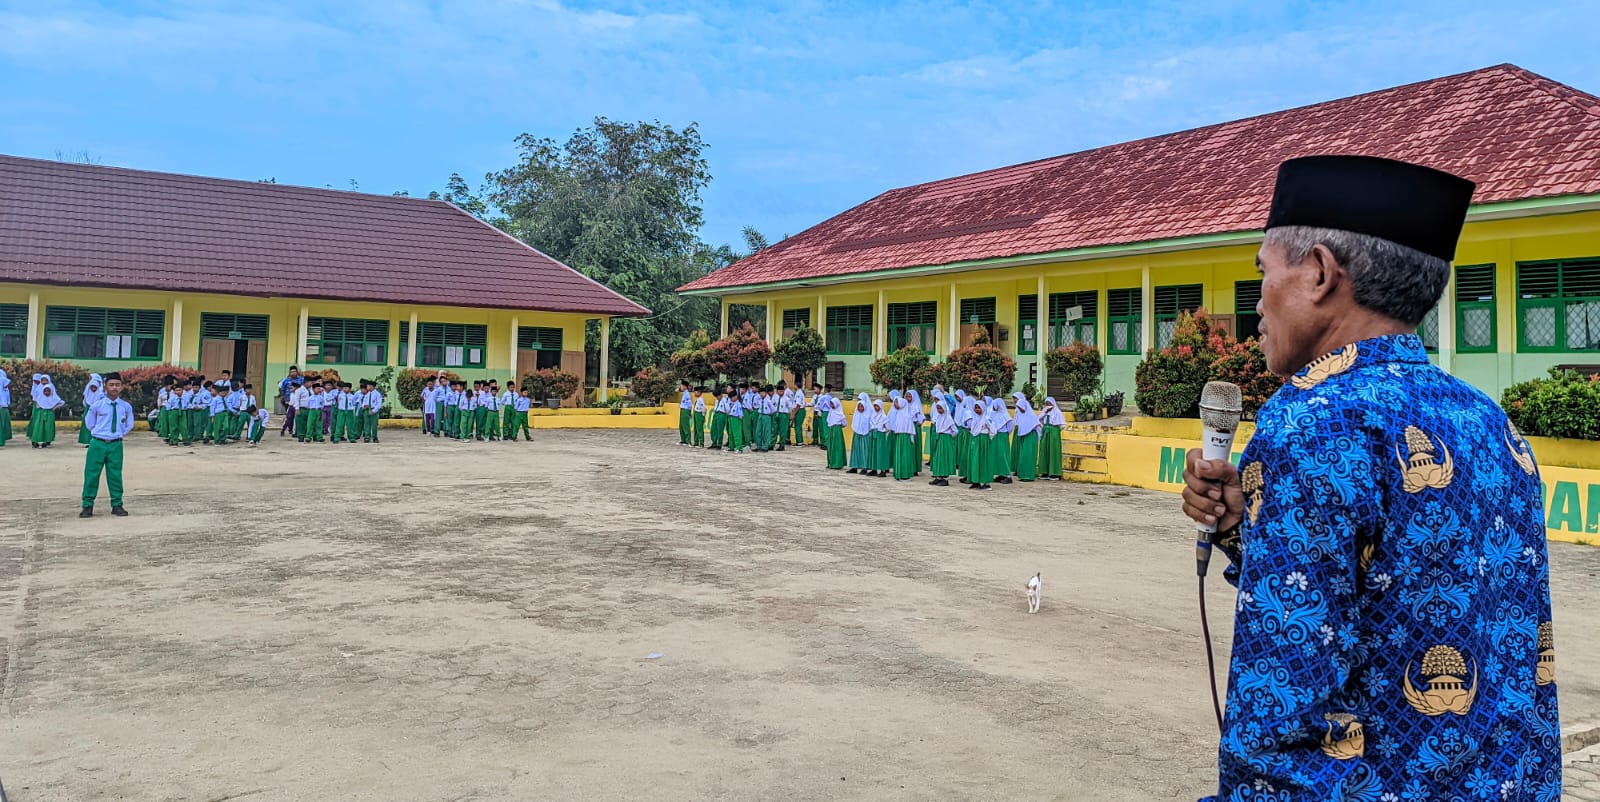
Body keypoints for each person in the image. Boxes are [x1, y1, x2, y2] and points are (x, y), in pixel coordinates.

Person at [1181, 155, 1558, 799]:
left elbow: (1281, 710)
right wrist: (1251, 527)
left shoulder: (1313, 420)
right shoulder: (1490, 421)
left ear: (1321, 273)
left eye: (1262, 275)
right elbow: (1397, 598)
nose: (1257, 308)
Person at [79, 372, 133, 517]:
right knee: (91, 474)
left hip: (115, 445)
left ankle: (117, 505)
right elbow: (89, 423)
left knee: (115, 475)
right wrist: (100, 434)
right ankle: (87, 505)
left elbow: (129, 424)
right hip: (98, 443)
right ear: (105, 386)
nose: (114, 388)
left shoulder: (125, 407)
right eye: (111, 385)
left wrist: (118, 434)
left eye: (117, 385)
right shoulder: (97, 405)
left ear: (122, 387)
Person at [928, 392, 957, 486]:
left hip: (945, 439)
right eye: (938, 408)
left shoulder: (948, 418)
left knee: (944, 458)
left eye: (940, 408)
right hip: (939, 438)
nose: (939, 410)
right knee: (938, 457)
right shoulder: (939, 418)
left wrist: (949, 438)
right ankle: (938, 476)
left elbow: (955, 431)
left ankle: (944, 478)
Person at [1011, 392, 1040, 482]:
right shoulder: (1021, 415)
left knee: (1028, 455)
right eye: (1018, 407)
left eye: (1021, 407)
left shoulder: (1030, 415)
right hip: (1024, 436)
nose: (1020, 409)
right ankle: (1023, 474)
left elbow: (1036, 426)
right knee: (1023, 456)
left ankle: (1028, 475)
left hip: (1030, 436)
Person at [966, 397, 992, 491]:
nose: (977, 410)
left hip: (983, 442)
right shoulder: (974, 419)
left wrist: (987, 440)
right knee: (974, 461)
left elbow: (993, 430)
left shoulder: (986, 419)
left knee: (983, 461)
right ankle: (975, 481)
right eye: (976, 408)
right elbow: (972, 430)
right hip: (974, 440)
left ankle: (986, 483)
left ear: (983, 408)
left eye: (979, 407)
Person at [29, 374, 62, 447]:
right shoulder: (39, 392)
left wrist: (54, 407)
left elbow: (59, 401)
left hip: (49, 413)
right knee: (38, 427)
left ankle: (47, 441)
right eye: (42, 380)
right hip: (40, 412)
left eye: (46, 380)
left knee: (48, 427)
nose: (44, 382)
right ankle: (35, 441)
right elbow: (37, 401)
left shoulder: (51, 388)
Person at [1037, 397, 1066, 481]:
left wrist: (1055, 431)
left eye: (1050, 404)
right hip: (1045, 432)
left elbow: (1062, 425)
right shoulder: (1044, 412)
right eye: (1047, 404)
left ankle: (1055, 473)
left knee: (1053, 451)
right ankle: (1045, 472)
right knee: (1044, 451)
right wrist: (1045, 413)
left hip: (1054, 433)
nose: (1048, 405)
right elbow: (1039, 420)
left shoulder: (1057, 412)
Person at [988, 398, 1014, 484]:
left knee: (1003, 455)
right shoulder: (993, 414)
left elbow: (1010, 425)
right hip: (994, 436)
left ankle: (1007, 475)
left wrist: (1006, 433)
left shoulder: (1005, 414)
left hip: (1002, 436)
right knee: (995, 455)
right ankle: (1000, 474)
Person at [846, 393, 872, 474]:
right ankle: (854, 466)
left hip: (866, 434)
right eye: (859, 400)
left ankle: (865, 466)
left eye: (861, 400)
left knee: (865, 450)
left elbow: (871, 423)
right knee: (856, 450)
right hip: (857, 433)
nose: (859, 402)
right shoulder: (856, 410)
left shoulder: (870, 411)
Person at [78, 373, 105, 446]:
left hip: (97, 411)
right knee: (87, 424)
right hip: (88, 409)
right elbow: (85, 400)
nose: (93, 389)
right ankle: (87, 440)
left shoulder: (101, 394)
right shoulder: (88, 391)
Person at [278, 366, 303, 437]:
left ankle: (293, 430)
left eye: (294, 371)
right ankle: (287, 429)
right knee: (289, 417)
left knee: (296, 418)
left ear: (297, 372)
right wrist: (282, 396)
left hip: (298, 402)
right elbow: (282, 388)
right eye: (291, 372)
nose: (293, 373)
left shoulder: (301, 379)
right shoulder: (286, 380)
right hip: (288, 401)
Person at [824, 394, 847, 470]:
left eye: (832, 403)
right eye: (831, 403)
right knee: (831, 447)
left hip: (837, 431)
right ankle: (831, 463)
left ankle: (837, 464)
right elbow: (828, 421)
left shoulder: (840, 413)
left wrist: (838, 427)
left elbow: (844, 423)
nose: (831, 405)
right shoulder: (831, 412)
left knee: (837, 447)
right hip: (831, 430)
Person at [677, 380, 693, 446]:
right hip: (682, 410)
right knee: (681, 425)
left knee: (686, 425)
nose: (680, 387)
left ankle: (688, 440)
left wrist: (689, 412)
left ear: (684, 386)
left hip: (686, 410)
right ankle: (683, 439)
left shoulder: (687, 394)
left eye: (681, 385)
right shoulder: (684, 393)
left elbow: (689, 404)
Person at [0, 367, 10, 448]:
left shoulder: (5, 389)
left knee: (2, 424)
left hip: (3, 407)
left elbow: (7, 398)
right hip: (2, 407)